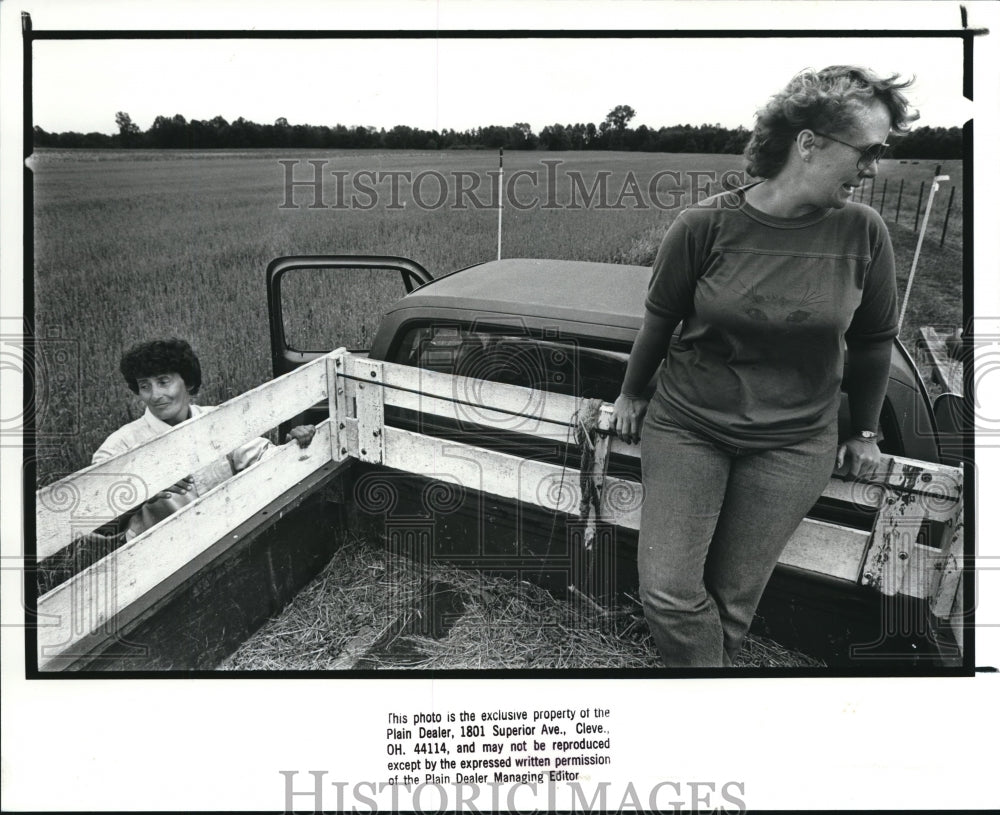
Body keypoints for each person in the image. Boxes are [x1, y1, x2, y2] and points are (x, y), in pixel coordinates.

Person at [610, 66, 918, 667]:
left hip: (794, 442)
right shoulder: (704, 225)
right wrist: (629, 393)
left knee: (733, 601)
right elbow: (659, 320)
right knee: (670, 591)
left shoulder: (864, 232)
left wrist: (863, 432)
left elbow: (875, 341)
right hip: (689, 424)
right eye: (869, 150)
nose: (874, 168)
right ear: (809, 143)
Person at [92, 337, 315, 540]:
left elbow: (262, 455)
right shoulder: (119, 447)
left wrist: (293, 444)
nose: (155, 395)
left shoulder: (217, 421)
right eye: (144, 386)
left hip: (229, 539)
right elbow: (97, 525)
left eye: (163, 381)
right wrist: (143, 492)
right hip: (161, 560)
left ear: (187, 382)